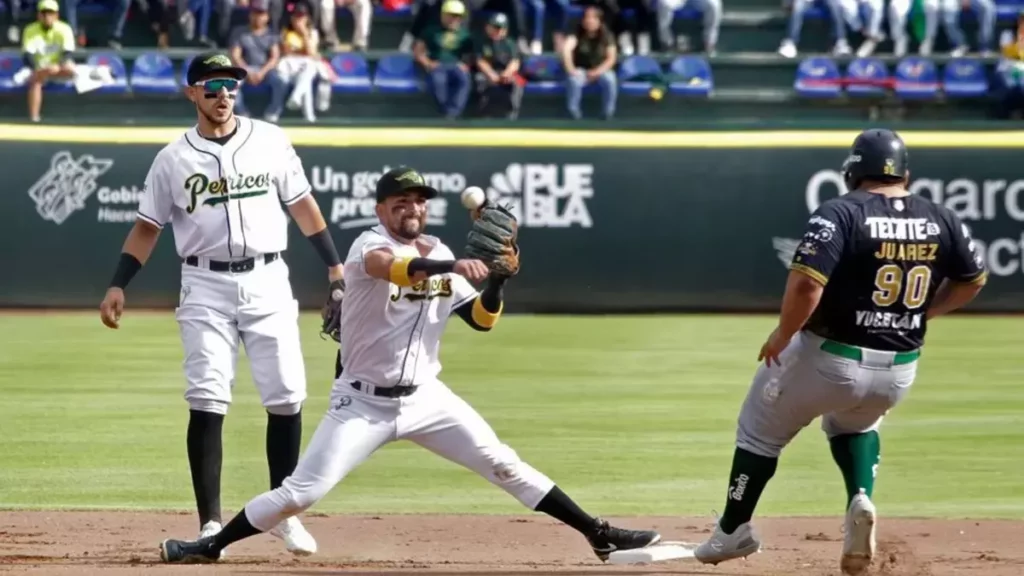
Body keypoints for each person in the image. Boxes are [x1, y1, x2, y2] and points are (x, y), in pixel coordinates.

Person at [156, 166, 663, 565]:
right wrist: (451, 266)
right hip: (361, 403)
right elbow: (390, 268)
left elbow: (482, 321)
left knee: (504, 463)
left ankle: (599, 535)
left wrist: (499, 281)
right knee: (298, 494)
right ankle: (212, 544)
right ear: (381, 209)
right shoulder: (367, 246)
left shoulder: (439, 250)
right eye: (401, 201)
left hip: (426, 399)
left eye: (419, 201)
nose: (412, 208)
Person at [693, 129, 988, 575]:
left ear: (852, 170)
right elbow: (974, 279)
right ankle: (860, 496)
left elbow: (809, 284)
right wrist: (927, 313)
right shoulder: (941, 217)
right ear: (905, 173)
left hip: (830, 355)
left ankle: (732, 530)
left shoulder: (840, 211)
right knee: (856, 423)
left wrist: (780, 334)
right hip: (899, 370)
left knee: (758, 431)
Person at [98, 51, 348, 561]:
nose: (223, 95)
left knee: (286, 396)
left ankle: (282, 512)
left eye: (231, 85)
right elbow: (148, 226)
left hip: (268, 278)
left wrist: (335, 265)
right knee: (208, 396)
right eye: (211, 86)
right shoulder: (173, 158)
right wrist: (119, 283)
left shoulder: (271, 140)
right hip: (204, 284)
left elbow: (302, 204)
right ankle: (211, 522)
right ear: (191, 92)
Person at [228, 0, 288, 122]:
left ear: (267, 16)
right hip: (244, 68)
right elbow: (236, 56)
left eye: (261, 14)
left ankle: (273, 113)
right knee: (231, 84)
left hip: (265, 69)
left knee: (280, 81)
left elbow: (274, 57)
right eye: (255, 13)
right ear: (250, 15)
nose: (258, 17)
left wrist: (262, 72)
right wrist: (247, 71)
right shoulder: (239, 32)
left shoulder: (272, 34)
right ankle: (242, 114)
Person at [414, 0, 474, 119]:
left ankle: (453, 114)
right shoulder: (431, 31)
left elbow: (472, 54)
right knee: (438, 81)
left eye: (458, 16)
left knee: (464, 80)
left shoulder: (465, 34)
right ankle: (446, 112)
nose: (454, 19)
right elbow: (418, 51)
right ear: (443, 15)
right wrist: (428, 63)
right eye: (451, 15)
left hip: (456, 65)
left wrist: (466, 65)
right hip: (438, 65)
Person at [19, 0, 75, 123]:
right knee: (36, 80)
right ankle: (34, 118)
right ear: (38, 15)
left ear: (56, 15)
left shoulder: (64, 29)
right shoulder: (30, 29)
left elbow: (68, 52)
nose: (47, 16)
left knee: (71, 69)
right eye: (43, 13)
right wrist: (39, 70)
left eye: (50, 13)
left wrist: (57, 65)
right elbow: (27, 55)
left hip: (58, 68)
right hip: (38, 68)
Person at [276, 2, 333, 122]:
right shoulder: (286, 32)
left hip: (305, 67)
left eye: (301, 16)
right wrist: (301, 51)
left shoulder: (312, 33)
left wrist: (304, 33)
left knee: (308, 71)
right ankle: (309, 116)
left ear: (307, 18)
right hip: (289, 68)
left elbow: (311, 53)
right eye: (296, 16)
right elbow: (286, 52)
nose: (299, 19)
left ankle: (300, 102)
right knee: (306, 77)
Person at [561, 5, 618, 120]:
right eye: (587, 18)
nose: (589, 21)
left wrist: (597, 71)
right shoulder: (577, 33)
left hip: (601, 70)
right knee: (573, 80)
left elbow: (611, 58)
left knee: (610, 80)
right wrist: (571, 69)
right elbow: (566, 50)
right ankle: (574, 114)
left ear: (599, 21)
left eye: (593, 18)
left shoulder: (607, 35)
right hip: (581, 70)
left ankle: (607, 114)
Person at [474, 13, 524, 119]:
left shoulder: (510, 43)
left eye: (500, 28)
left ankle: (511, 116)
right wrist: (492, 75)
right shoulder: (482, 42)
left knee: (518, 82)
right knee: (479, 80)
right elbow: (480, 61)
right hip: (487, 73)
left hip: (505, 73)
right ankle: (483, 116)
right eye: (494, 27)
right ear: (488, 27)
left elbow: (515, 62)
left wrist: (507, 73)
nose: (497, 31)